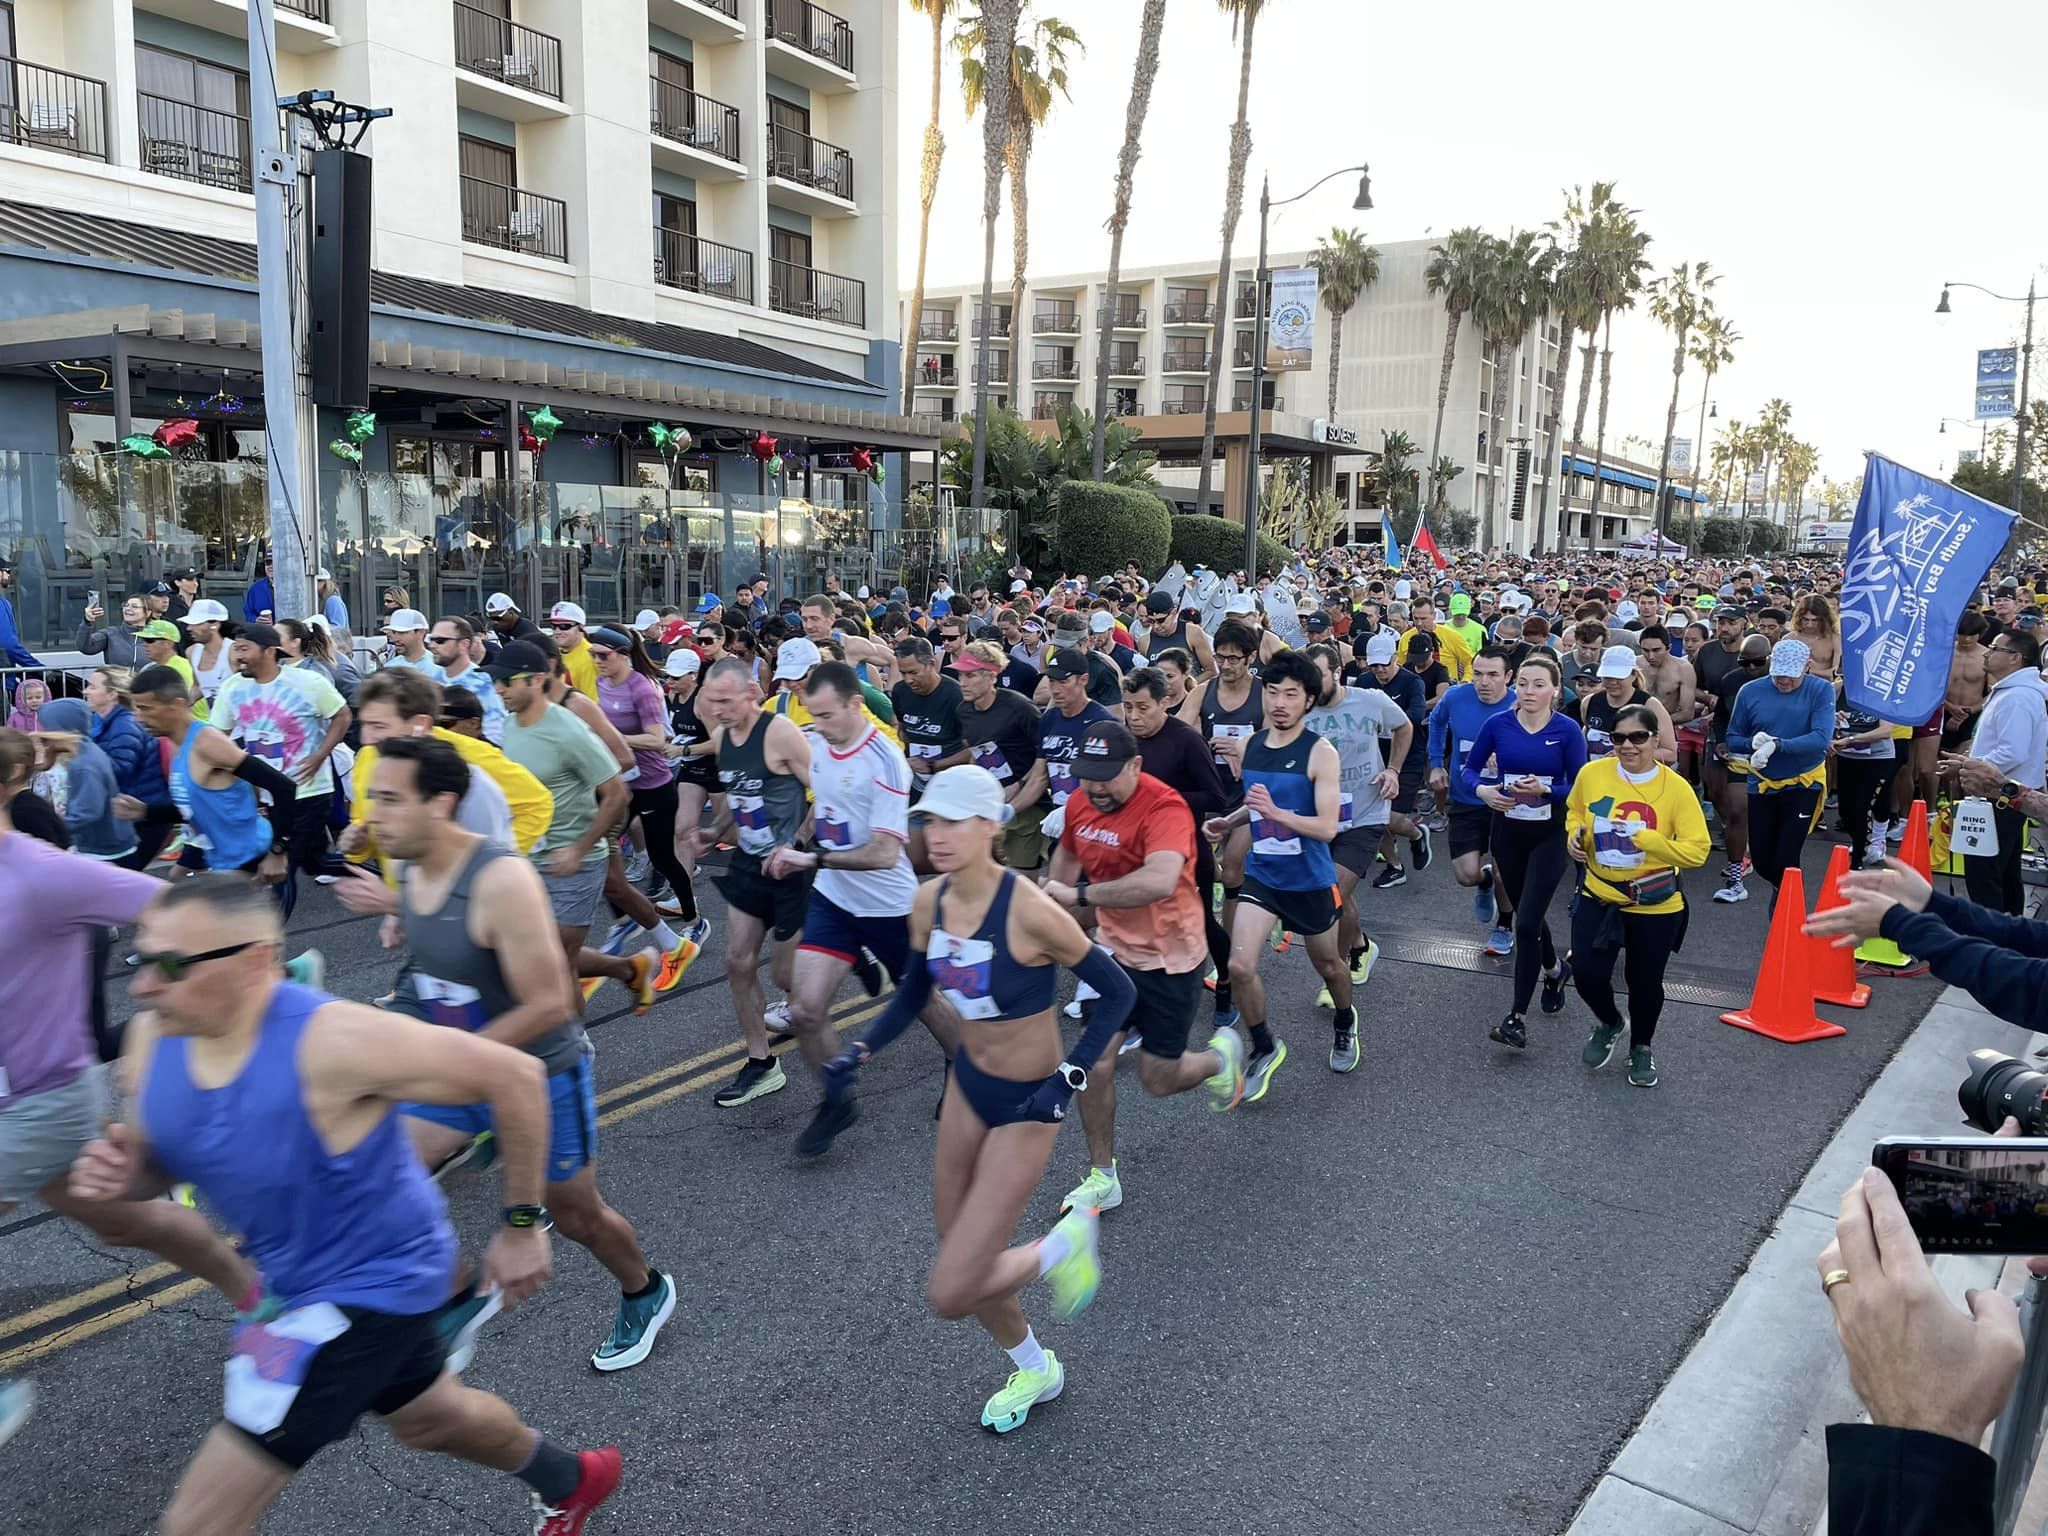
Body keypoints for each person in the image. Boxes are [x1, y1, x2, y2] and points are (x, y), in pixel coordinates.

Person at [70, 874, 623, 1536]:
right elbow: (170, 1160)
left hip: (374, 1288)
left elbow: (516, 1076)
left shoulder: (331, 1040)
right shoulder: (153, 1043)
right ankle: (573, 1481)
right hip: (290, 1286)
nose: (142, 987)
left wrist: (523, 1225)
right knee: (428, 1419)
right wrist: (130, 1175)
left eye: (169, 965)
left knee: (197, 1524)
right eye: (138, 960)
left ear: (255, 961)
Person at [817, 765, 1135, 1434]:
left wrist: (1068, 1079)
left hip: (1028, 1105)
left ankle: (1065, 1244)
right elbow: (912, 992)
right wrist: (859, 1050)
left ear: (990, 827)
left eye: (953, 821)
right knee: (963, 1250)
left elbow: (1118, 994)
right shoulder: (927, 901)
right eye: (929, 819)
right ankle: (1035, 1367)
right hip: (969, 1089)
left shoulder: (1029, 910)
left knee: (951, 1290)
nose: (936, 833)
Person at [368, 737, 678, 1374]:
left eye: (390, 799)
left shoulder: (499, 880)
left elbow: (547, 1005)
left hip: (540, 1075)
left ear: (442, 803)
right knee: (378, 1168)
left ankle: (646, 1292)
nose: (373, 814)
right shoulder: (412, 870)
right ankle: (455, 1296)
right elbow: (429, 983)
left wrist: (450, 1052)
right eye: (374, 795)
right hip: (462, 1072)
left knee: (574, 1215)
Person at [0, 732, 263, 1446]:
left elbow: (186, 914)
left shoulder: (42, 872)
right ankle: (259, 1297)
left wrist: (221, 997)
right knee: (125, 1220)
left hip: (40, 1098)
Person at [1044, 721, 1245, 1213]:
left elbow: (1157, 881)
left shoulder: (1164, 806)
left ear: (1135, 766)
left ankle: (1223, 1059)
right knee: (1091, 1063)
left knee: (1159, 1080)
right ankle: (1102, 1176)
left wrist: (1080, 896)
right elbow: (1060, 878)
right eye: (1086, 775)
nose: (1094, 787)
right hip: (1113, 954)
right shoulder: (1079, 803)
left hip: (1169, 955)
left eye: (1106, 776)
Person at [763, 661, 959, 1156]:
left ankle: (963, 1067)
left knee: (924, 1001)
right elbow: (823, 804)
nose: (818, 726)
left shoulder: (885, 760)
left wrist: (810, 857)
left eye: (826, 716)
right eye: (812, 717)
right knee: (806, 1011)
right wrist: (797, 838)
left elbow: (885, 852)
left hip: (888, 906)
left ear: (855, 704)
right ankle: (837, 1099)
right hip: (834, 898)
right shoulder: (822, 745)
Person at [1203, 650, 1350, 1096]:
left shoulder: (1320, 753)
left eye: (1292, 694)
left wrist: (1276, 813)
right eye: (1272, 692)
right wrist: (1232, 821)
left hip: (1309, 878)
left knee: (1328, 965)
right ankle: (1264, 1046)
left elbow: (1326, 827)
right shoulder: (1251, 747)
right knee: (1239, 964)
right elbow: (1258, 804)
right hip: (1264, 875)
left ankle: (1345, 1020)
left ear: (1309, 701)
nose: (1280, 702)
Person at [489, 640, 660, 1016]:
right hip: (529, 858)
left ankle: (575, 1060)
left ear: (535, 680)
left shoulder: (567, 728)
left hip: (575, 864)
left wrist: (581, 849)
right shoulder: (510, 725)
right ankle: (629, 968)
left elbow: (616, 791)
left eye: (506, 681)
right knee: (524, 954)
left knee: (555, 966)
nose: (498, 689)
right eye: (495, 681)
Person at [1563, 702, 1710, 1087]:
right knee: (1587, 973)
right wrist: (1574, 837)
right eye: (1618, 738)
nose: (1627, 746)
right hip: (1599, 892)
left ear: (1655, 739)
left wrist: (1650, 842)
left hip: (1655, 903)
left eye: (1637, 737)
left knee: (1644, 982)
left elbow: (1697, 850)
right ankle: (1610, 1022)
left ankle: (1641, 1047)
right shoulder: (1593, 773)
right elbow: (1575, 811)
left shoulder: (1675, 789)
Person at [692, 656, 814, 1107]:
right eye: (711, 699)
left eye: (724, 700)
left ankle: (845, 946)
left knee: (785, 975)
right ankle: (761, 1063)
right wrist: (715, 828)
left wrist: (797, 845)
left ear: (750, 694)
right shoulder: (724, 737)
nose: (716, 708)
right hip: (749, 863)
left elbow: (823, 793)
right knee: (738, 961)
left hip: (789, 868)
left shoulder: (781, 733)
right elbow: (740, 800)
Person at [1462, 653, 1586, 1050]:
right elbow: (1468, 769)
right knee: (1528, 914)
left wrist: (1547, 790)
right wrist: (1483, 790)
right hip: (1507, 832)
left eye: (1538, 684)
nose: (1529, 691)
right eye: (1524, 684)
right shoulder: (1497, 725)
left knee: (1527, 922)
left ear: (1555, 690)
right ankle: (1554, 970)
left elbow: (1579, 787)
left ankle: (1516, 1017)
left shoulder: (1567, 731)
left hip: (1550, 835)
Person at [1301, 643, 1417, 1033]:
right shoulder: (1301, 706)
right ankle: (1361, 946)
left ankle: (1335, 971)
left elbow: (1403, 727)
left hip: (1365, 814)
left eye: (1319, 676)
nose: (1312, 687)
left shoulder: (1371, 701)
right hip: (1319, 815)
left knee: (1330, 890)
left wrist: (1395, 770)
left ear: (1338, 671)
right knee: (1342, 895)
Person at [588, 626, 706, 986]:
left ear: (622, 654)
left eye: (602, 656)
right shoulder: (602, 684)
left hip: (654, 785)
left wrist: (613, 737)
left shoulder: (642, 687)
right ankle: (624, 921)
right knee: (601, 851)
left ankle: (695, 921)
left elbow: (657, 739)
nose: (596, 662)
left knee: (662, 858)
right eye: (592, 655)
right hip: (621, 784)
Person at [208, 623, 352, 912]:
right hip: (270, 794)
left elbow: (342, 715)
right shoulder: (233, 687)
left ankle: (268, 941)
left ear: (270, 651)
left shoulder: (307, 682)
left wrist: (320, 755)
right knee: (316, 862)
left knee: (281, 864)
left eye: (244, 648)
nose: (237, 656)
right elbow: (215, 736)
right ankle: (388, 880)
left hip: (310, 790)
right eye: (235, 649)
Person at [120, 664, 298, 897]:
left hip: (258, 866)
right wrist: (146, 811)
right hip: (226, 866)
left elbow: (283, 787)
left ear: (177, 705)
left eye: (146, 709)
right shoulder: (175, 744)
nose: (138, 718)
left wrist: (278, 852)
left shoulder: (208, 742)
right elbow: (196, 807)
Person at [1725, 637, 1836, 907]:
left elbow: (1821, 738)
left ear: (1807, 667)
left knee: (1787, 855)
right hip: (1762, 782)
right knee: (1762, 859)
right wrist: (1751, 743)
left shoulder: (1821, 690)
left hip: (1803, 781)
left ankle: (1786, 914)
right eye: (1778, 674)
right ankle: (1785, 892)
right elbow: (1732, 737)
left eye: (1791, 676)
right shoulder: (1750, 691)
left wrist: (1778, 745)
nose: (1784, 680)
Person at [1428, 646, 1518, 955]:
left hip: (1506, 803)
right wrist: (1437, 762)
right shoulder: (1456, 697)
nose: (1484, 682)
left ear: (1508, 676)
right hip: (1466, 798)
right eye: (1478, 674)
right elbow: (1437, 722)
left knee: (1506, 871)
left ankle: (1504, 925)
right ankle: (1484, 883)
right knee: (1465, 874)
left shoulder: (1521, 704)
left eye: (1493, 675)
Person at [1955, 629, 2046, 915]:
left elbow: (2012, 752)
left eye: (1995, 648)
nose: (1987, 652)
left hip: (2000, 797)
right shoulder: (2013, 692)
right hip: (2006, 797)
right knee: (2004, 875)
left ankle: (1991, 942)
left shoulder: (2017, 697)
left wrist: (1969, 766)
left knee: (1986, 877)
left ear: (2015, 658)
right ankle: (2008, 938)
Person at [955, 640, 1045, 869]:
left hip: (1026, 805)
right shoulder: (963, 711)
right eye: (961, 676)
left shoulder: (1019, 707)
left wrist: (1020, 784)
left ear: (992, 676)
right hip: (986, 804)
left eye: (971, 676)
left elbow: (1046, 753)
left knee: (1021, 880)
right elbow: (976, 751)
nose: (963, 683)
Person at [81, 668, 175, 867]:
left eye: (92, 686)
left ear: (112, 694)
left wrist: (78, 756)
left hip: (144, 817)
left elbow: (119, 769)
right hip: (127, 814)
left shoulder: (126, 724)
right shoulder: (101, 721)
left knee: (125, 883)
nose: (85, 691)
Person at [35, 697, 139, 864]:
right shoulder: (86, 750)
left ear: (61, 730)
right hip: (105, 844)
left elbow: (87, 812)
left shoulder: (84, 765)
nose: (44, 735)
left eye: (47, 729)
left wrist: (51, 831)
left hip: (104, 850)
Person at [430, 616, 508, 744]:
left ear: (464, 644)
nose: (432, 646)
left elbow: (496, 733)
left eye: (440, 640)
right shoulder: (434, 678)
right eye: (431, 640)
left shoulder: (482, 682)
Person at [76, 593, 151, 669]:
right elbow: (85, 647)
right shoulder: (111, 634)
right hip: (117, 680)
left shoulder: (155, 638)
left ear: (148, 612)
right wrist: (87, 621)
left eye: (134, 606)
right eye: (126, 605)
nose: (128, 609)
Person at [184, 598, 234, 709]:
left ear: (215, 625)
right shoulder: (192, 652)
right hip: (213, 723)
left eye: (196, 623)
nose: (189, 628)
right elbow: (199, 686)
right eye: (189, 624)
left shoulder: (234, 651)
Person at [546, 603, 600, 700]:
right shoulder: (554, 652)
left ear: (581, 627)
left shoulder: (590, 657)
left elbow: (590, 704)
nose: (557, 631)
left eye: (564, 626)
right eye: (554, 626)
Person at [0, 554, 42, 669]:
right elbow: (8, 645)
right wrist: (39, 669)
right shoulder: (1, 604)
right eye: (6, 571)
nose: (9, 575)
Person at [242, 552, 274, 623]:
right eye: (268, 563)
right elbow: (248, 612)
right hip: (265, 631)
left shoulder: (293, 586)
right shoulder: (256, 588)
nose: (271, 566)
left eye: (275, 562)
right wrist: (255, 620)